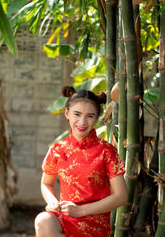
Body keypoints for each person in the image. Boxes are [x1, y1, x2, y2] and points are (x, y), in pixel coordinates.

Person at [35, 86, 128, 237]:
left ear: (97, 117)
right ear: (67, 114)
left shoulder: (106, 151)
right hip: (65, 216)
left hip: (94, 222)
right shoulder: (57, 149)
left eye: (90, 116)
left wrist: (80, 211)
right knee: (43, 220)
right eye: (77, 114)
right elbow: (46, 183)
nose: (82, 122)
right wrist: (52, 201)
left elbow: (121, 196)